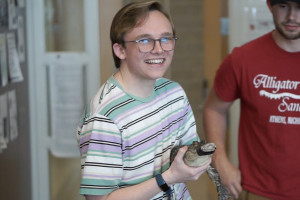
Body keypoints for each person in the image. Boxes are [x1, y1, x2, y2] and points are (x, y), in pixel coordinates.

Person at [76, 1, 211, 200]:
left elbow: (189, 151)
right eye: (144, 41)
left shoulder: (174, 93)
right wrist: (169, 178)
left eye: (166, 38)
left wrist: (197, 158)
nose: (158, 49)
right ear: (120, 50)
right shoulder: (105, 117)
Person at [203, 0, 300, 199]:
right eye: (284, 6)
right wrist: (220, 160)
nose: (292, 16)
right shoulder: (242, 59)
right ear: (270, 5)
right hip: (257, 191)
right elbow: (214, 109)